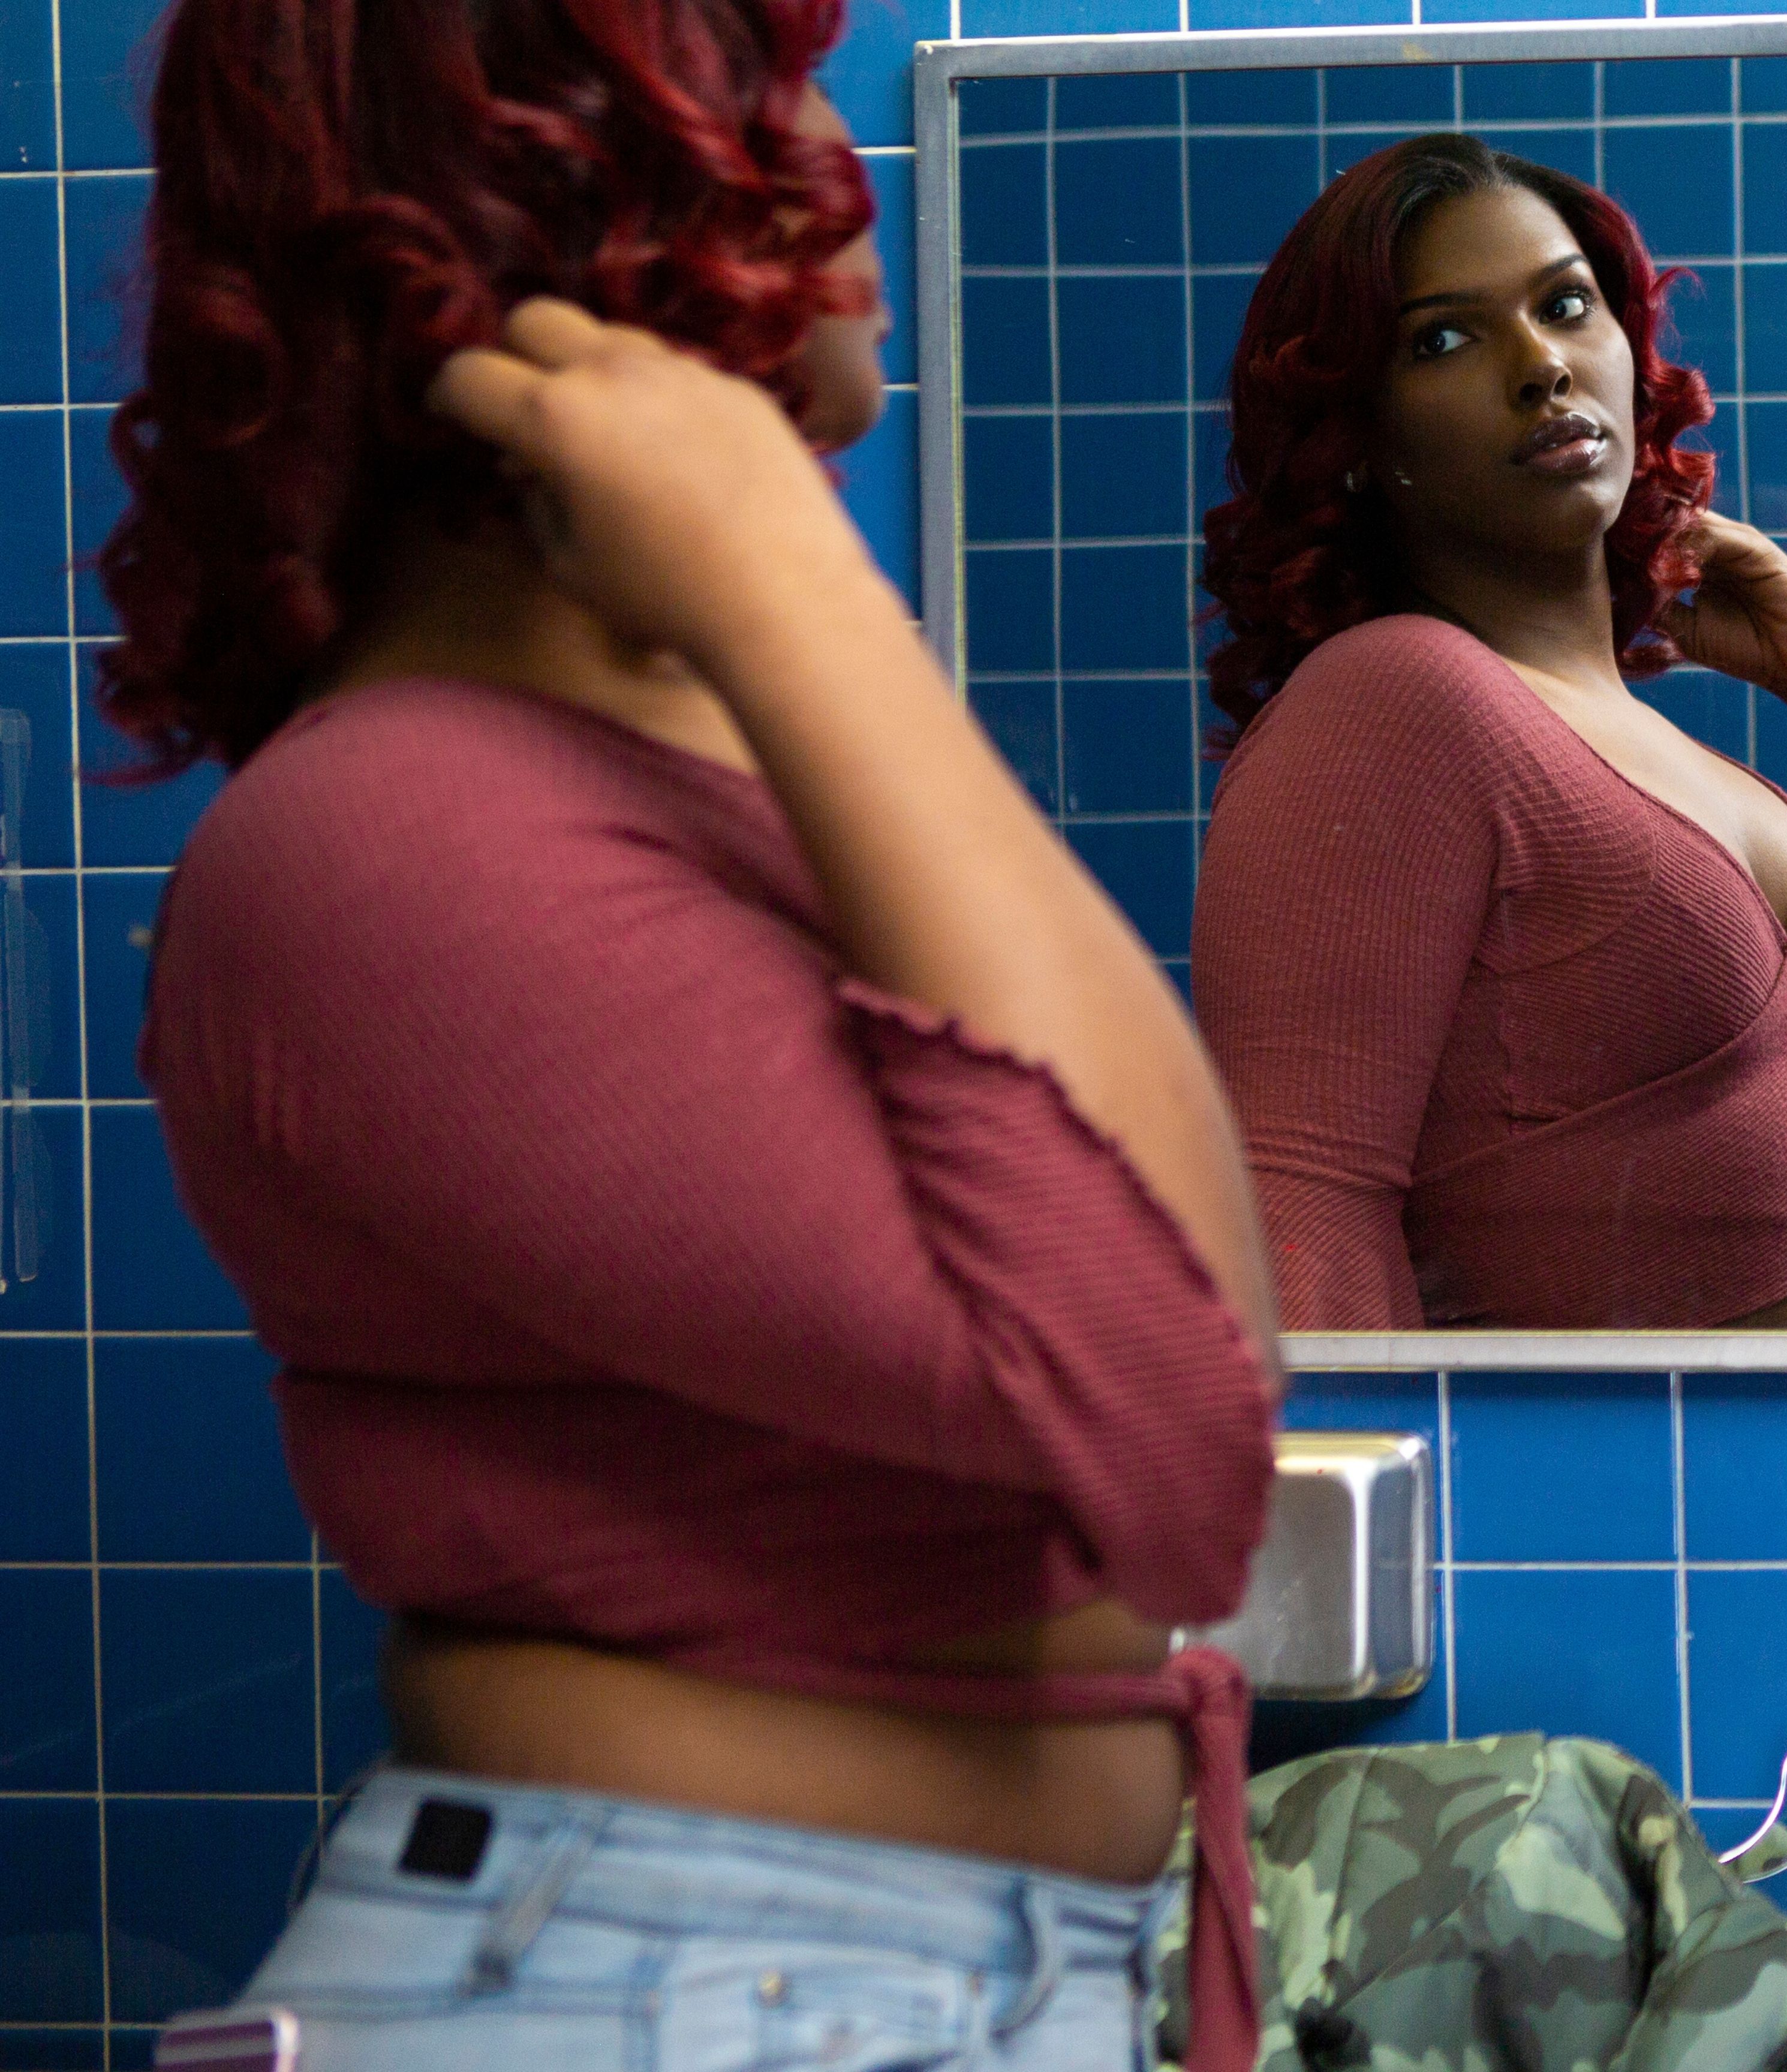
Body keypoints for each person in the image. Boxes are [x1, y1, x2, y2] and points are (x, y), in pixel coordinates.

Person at [102, 0, 1285, 2061]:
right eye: (778, 81)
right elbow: (1176, 1425)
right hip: (664, 1983)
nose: (848, 154)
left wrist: (776, 614)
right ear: (565, 167)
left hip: (829, 1974)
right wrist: (785, 576)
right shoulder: (388, 836)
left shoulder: (685, 773)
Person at [1191, 133, 1787, 1334]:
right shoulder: (1390, 701)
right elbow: (1299, 1217)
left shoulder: (1655, 740)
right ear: (1364, 444)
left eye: (1566, 305)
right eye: (1444, 338)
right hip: (1615, 1504)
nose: (1542, 366)